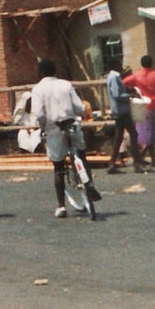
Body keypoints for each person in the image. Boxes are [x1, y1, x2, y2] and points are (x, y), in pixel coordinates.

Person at [28, 59, 94, 218]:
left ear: (42, 73)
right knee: (81, 155)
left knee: (58, 168)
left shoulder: (37, 89)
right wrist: (79, 115)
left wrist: (43, 127)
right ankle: (89, 184)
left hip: (54, 128)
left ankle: (61, 206)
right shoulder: (66, 84)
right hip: (71, 125)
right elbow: (79, 107)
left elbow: (38, 114)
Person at [126, 55, 155, 162]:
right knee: (153, 134)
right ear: (152, 63)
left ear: (142, 64)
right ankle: (144, 156)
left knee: (147, 134)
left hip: (143, 107)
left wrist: (132, 94)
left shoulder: (137, 76)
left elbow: (123, 83)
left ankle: (151, 158)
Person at [102, 63, 142, 173]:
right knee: (133, 134)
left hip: (118, 111)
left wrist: (126, 91)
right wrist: (129, 95)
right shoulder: (115, 77)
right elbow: (117, 95)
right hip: (122, 111)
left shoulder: (111, 76)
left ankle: (112, 163)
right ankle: (137, 163)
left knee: (119, 137)